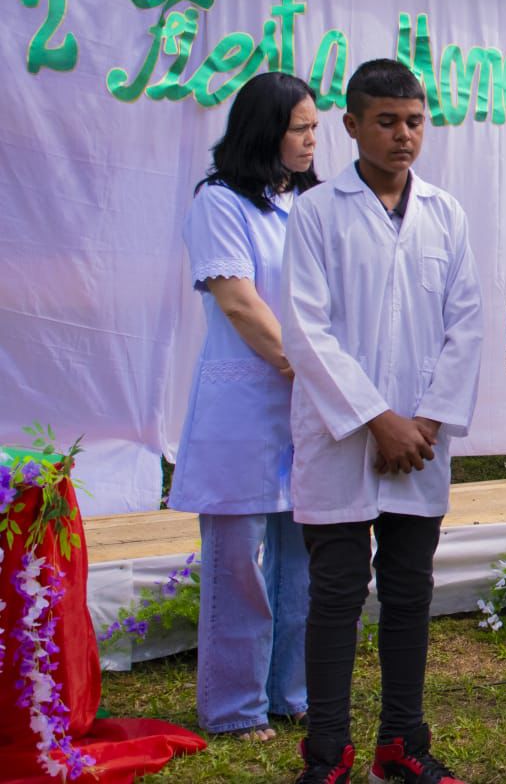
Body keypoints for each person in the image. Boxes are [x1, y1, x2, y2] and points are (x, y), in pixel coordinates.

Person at [283, 59, 484, 784]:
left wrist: (424, 421)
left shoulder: (446, 213)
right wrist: (376, 419)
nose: (404, 136)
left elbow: (465, 327)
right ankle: (326, 754)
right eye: (387, 121)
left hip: (421, 443)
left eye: (415, 121)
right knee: (336, 594)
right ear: (352, 126)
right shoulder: (315, 213)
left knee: (409, 592)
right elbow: (306, 329)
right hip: (343, 440)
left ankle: (401, 742)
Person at [171, 72, 319, 742]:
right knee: (238, 563)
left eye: (316, 127)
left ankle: (290, 692)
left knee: (301, 558)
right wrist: (313, 369)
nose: (313, 139)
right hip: (244, 406)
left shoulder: (308, 204)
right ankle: (233, 707)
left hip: (305, 406)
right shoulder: (220, 202)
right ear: (267, 130)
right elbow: (240, 302)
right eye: (301, 128)